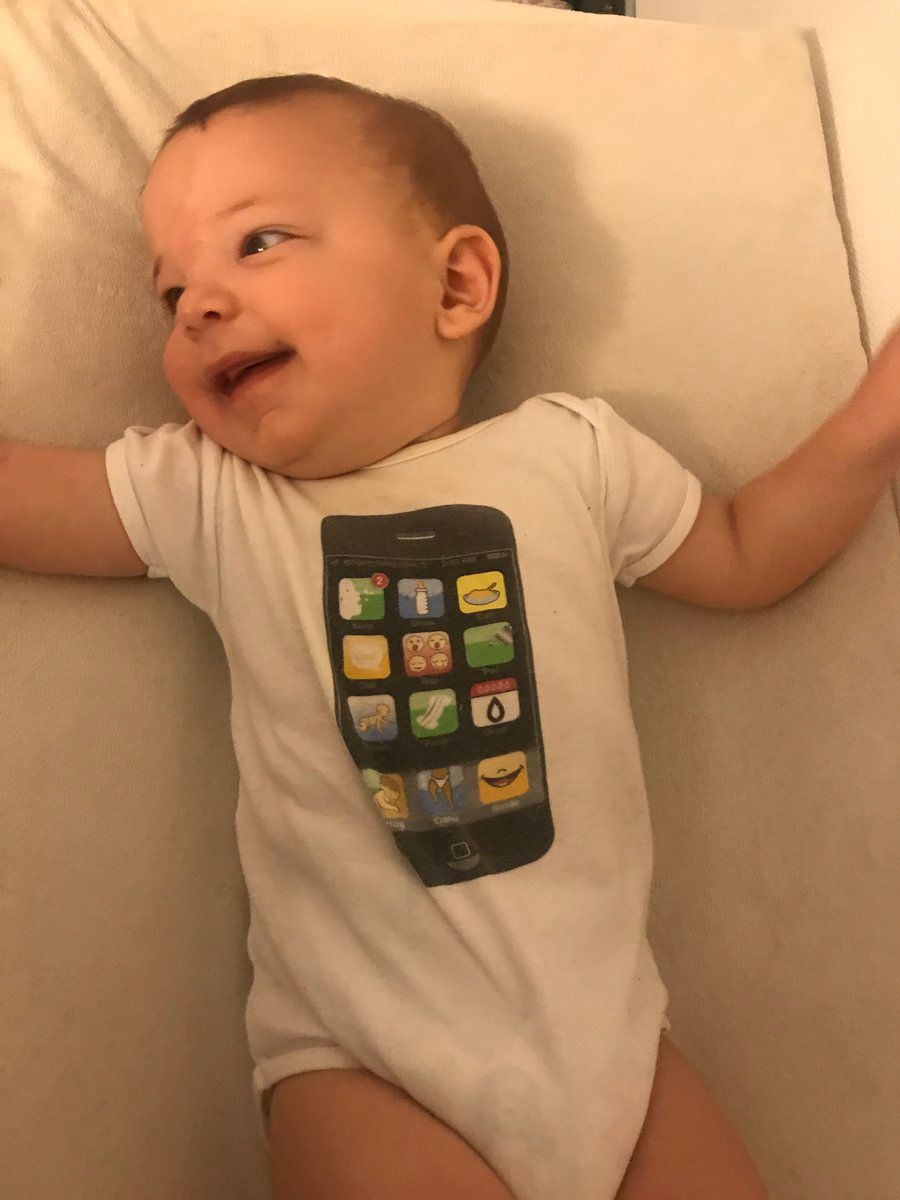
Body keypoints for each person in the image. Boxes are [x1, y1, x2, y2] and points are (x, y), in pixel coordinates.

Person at [3, 73, 898, 1200]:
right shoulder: (215, 495)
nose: (195, 307)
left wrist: (875, 419)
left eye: (258, 242)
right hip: (362, 1063)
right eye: (170, 288)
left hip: (617, 1051)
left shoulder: (573, 454)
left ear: (458, 283)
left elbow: (743, 549)